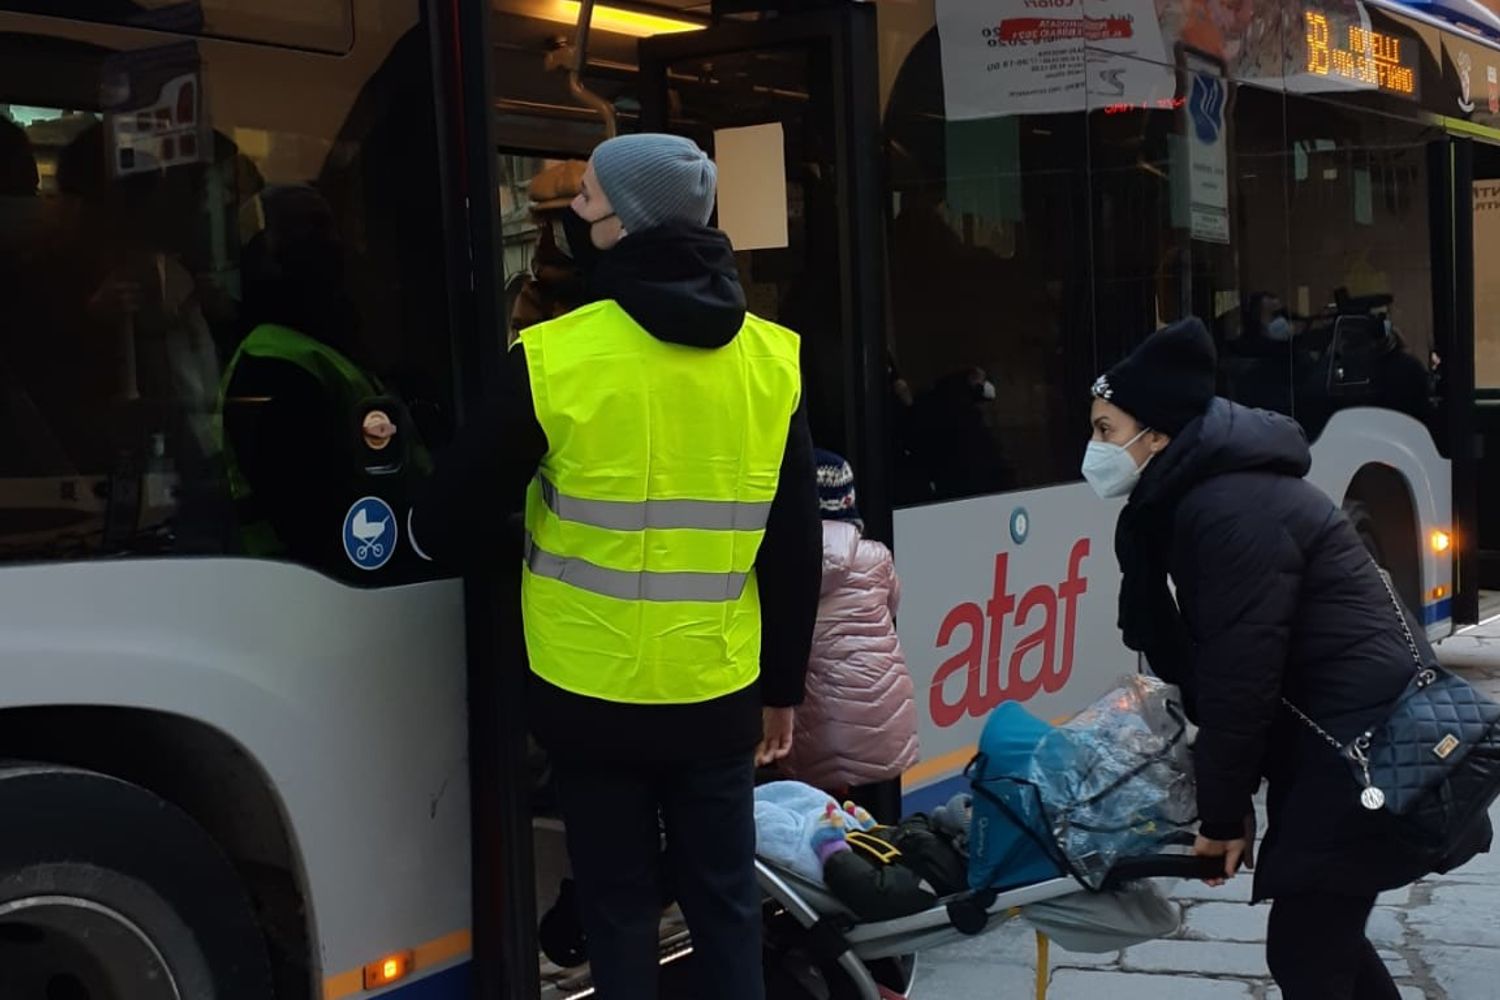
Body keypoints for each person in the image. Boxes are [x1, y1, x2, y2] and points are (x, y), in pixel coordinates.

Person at [409, 133, 822, 1000]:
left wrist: (523, 540)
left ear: (626, 220)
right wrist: (781, 685)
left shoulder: (558, 357)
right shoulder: (771, 360)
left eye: (588, 198)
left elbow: (448, 515)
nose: (572, 213)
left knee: (619, 905)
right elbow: (792, 542)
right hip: (716, 686)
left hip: (586, 689)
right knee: (724, 899)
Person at [1082, 317, 1490, 1000]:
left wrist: (1221, 814)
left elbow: (1240, 679)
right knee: (1322, 945)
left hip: (1361, 748)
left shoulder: (1229, 511)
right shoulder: (1214, 497)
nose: (1094, 449)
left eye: (1104, 430)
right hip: (1346, 743)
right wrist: (1232, 803)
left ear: (1158, 434)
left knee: (1307, 951)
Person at [779, 449, 918, 796]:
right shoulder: (877, 558)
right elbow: (892, 607)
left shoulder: (779, 571)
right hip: (883, 727)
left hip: (813, 732)